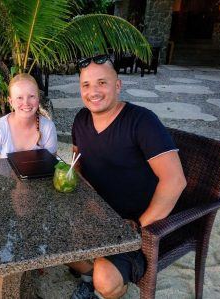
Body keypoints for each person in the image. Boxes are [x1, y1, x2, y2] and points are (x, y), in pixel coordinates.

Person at [69, 55, 187, 299]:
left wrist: (140, 226)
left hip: (132, 224)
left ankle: (102, 278)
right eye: (86, 85)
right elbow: (77, 162)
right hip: (95, 215)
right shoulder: (81, 119)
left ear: (118, 85)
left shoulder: (142, 121)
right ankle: (89, 273)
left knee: (105, 280)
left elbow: (175, 181)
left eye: (102, 82)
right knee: (50, 245)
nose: (93, 92)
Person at [0, 73, 57, 160]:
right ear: (11, 102)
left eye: (31, 96)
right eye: (19, 98)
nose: (26, 103)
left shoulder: (48, 127)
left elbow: (51, 165)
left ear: (38, 99)